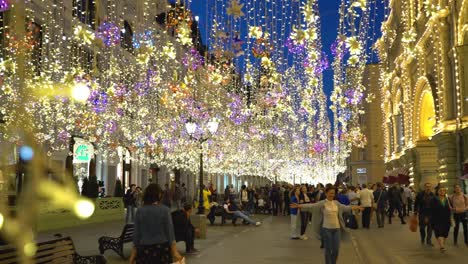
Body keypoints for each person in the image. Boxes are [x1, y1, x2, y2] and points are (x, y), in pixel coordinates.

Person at [292, 186, 362, 264]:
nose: (332, 195)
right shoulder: (322, 203)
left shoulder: (336, 203)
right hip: (326, 229)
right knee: (328, 250)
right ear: (326, 193)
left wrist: (356, 207)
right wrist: (299, 206)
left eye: (333, 193)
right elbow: (312, 206)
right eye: (330, 193)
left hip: (337, 229)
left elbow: (345, 207)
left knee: (336, 249)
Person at [130, 184, 183, 264]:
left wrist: (133, 255)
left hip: (144, 250)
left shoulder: (140, 211)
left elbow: (136, 234)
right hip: (161, 250)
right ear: (159, 195)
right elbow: (170, 232)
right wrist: (175, 251)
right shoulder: (165, 210)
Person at [430, 187, 451, 253]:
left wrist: (451, 218)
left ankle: (442, 244)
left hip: (446, 219)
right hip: (437, 219)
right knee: (438, 232)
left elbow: (450, 209)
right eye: (440, 190)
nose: (442, 191)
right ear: (438, 192)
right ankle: (442, 246)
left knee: (445, 233)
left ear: (445, 192)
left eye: (443, 190)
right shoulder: (434, 199)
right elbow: (431, 209)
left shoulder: (447, 199)